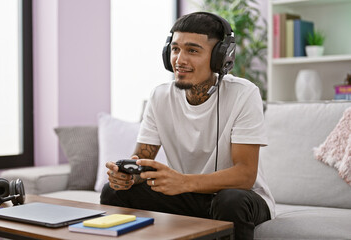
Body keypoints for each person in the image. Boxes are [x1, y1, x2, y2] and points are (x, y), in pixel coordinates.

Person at [100, 12, 275, 240]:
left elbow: (245, 175)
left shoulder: (244, 94)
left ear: (220, 57)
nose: (179, 60)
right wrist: (129, 176)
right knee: (113, 191)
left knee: (231, 200)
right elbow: (141, 157)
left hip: (241, 197)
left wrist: (182, 181)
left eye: (192, 50)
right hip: (187, 194)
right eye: (175, 49)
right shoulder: (160, 96)